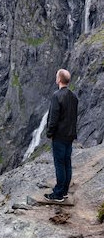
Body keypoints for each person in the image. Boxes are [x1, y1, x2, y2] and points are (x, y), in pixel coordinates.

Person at [44, 68, 79, 202]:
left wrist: (49, 133)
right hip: (70, 135)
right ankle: (64, 191)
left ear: (59, 79)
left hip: (59, 135)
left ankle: (58, 194)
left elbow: (53, 118)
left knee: (59, 163)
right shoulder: (74, 96)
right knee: (67, 162)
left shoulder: (56, 95)